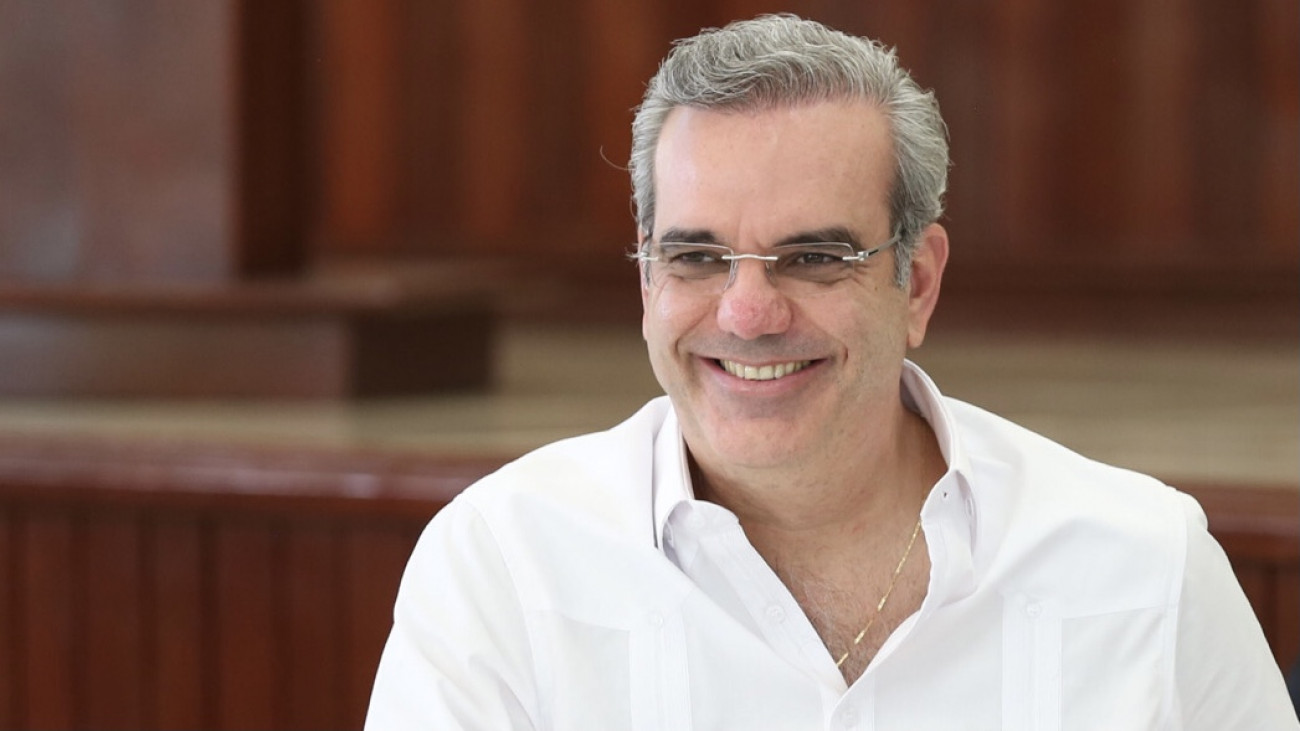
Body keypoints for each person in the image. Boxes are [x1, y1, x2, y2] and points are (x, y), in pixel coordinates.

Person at [366, 14, 1298, 729]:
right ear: (648, 278)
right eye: (696, 257)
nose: (747, 313)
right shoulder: (500, 566)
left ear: (917, 282)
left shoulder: (1147, 566)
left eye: (814, 258)